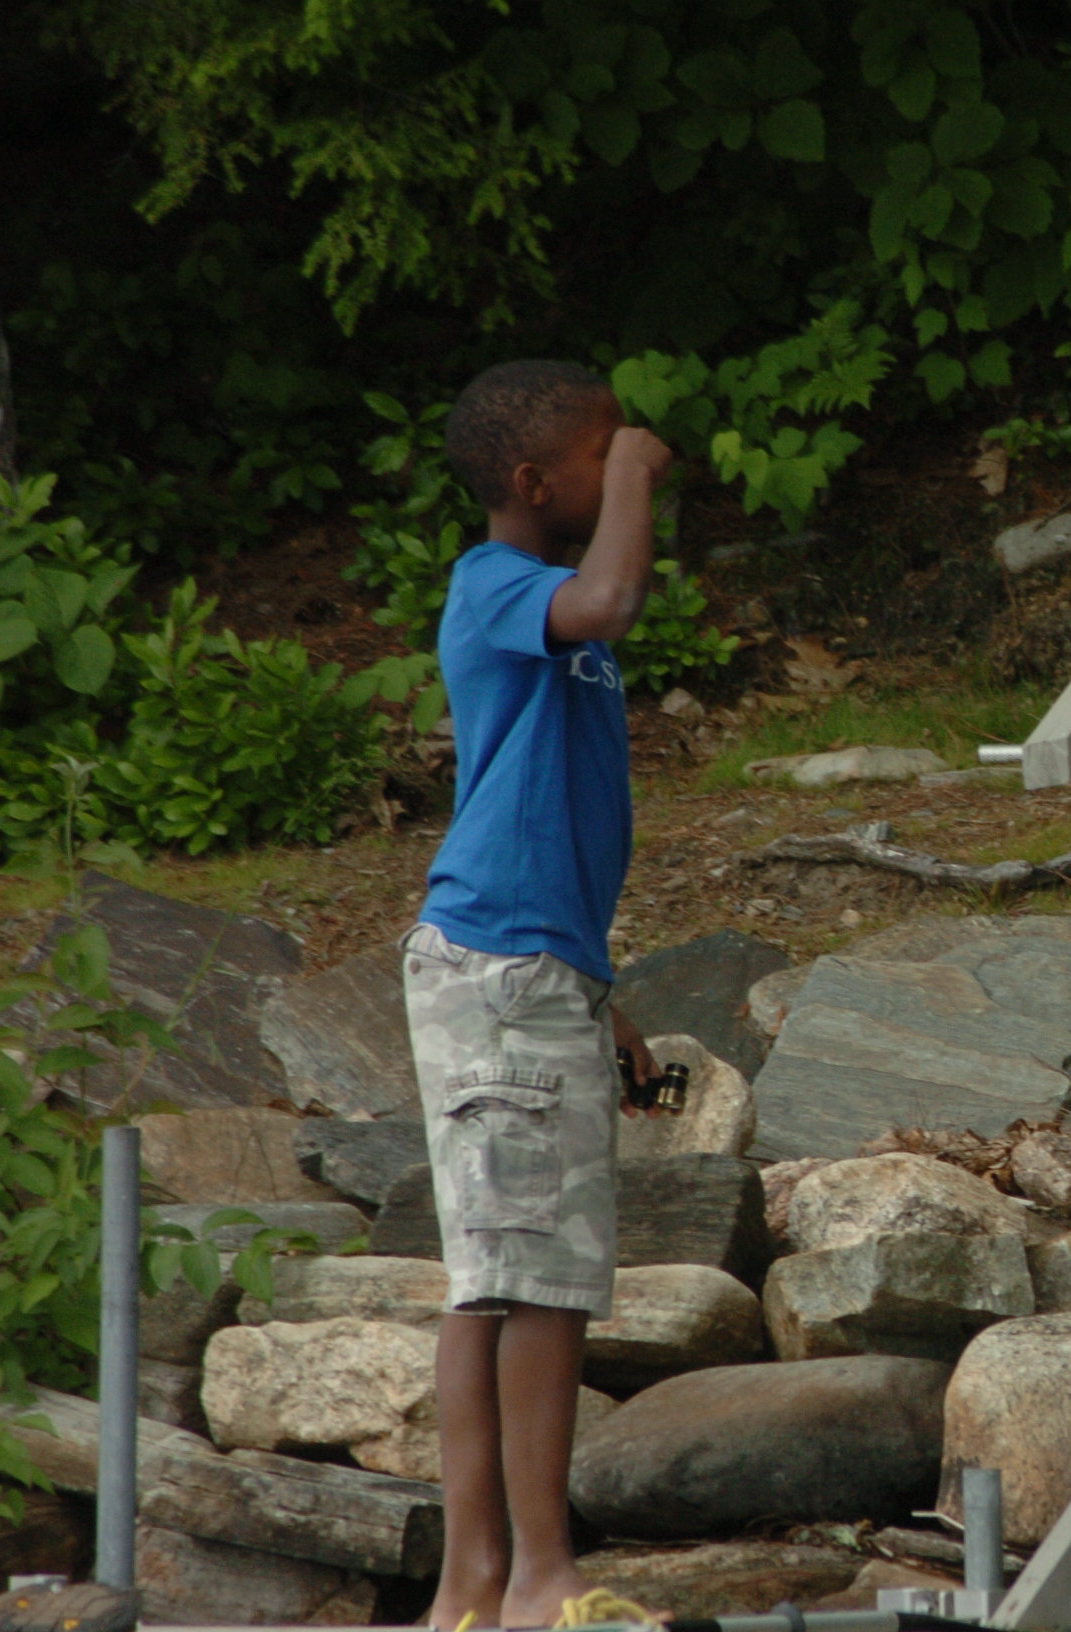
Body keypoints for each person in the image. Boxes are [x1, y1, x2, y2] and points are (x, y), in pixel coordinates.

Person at [401, 359, 673, 1629]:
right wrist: (638, 476)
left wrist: (595, 992)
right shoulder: (498, 585)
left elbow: (537, 809)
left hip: (524, 962)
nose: (621, 460)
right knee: (538, 1281)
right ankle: (534, 1579)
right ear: (531, 482)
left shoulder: (539, 608)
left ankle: (475, 1587)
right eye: (596, 452)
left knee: (498, 1276)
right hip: (505, 965)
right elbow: (612, 595)